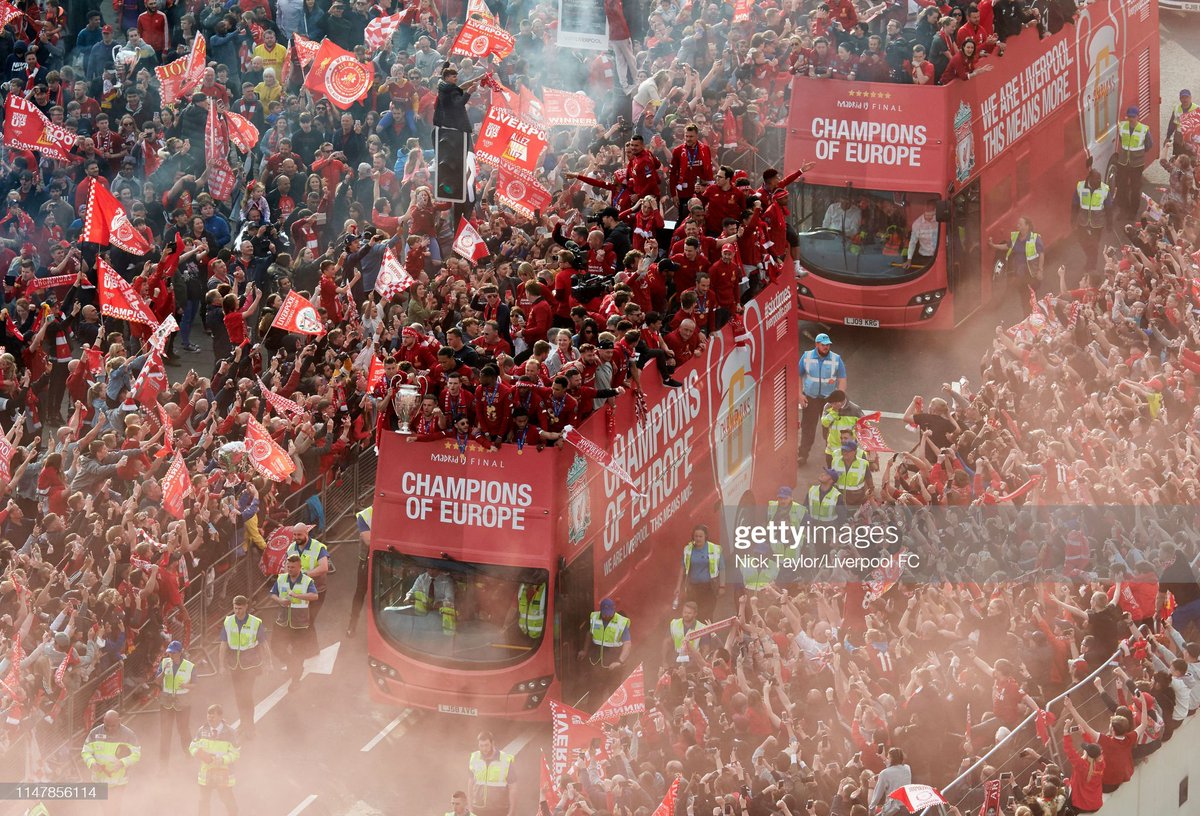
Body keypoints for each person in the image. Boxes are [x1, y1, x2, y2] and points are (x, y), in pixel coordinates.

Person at [270, 553, 320, 687]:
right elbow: (273, 594)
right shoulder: (281, 579)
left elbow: (314, 596)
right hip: (283, 622)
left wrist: (297, 595)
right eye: (288, 566)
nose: (290, 569)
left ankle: (295, 680)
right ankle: (292, 663)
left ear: (299, 567)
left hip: (300, 624)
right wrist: (280, 600)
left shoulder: (307, 581)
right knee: (275, 647)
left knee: (299, 652)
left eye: (292, 567)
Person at [220, 595, 265, 740]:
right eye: (235, 608)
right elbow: (223, 644)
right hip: (235, 665)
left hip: (249, 665)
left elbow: (263, 644)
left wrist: (268, 662)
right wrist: (221, 665)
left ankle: (250, 725)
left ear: (246, 606)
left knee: (246, 695)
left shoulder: (255, 622)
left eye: (240, 608)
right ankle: (243, 722)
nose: (237, 611)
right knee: (239, 695)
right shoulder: (228, 621)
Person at [798, 333, 846, 466]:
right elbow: (798, 375)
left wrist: (839, 399)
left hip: (829, 400)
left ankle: (832, 456)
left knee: (830, 429)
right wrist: (800, 395)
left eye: (828, 345)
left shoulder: (836, 359)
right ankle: (802, 455)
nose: (826, 347)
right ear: (817, 344)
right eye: (823, 345)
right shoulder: (806, 357)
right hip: (811, 398)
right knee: (807, 428)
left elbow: (842, 379)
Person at [82, 710, 141, 814]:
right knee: (106, 809)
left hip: (119, 781)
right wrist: (92, 763)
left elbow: (137, 754)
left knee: (114, 808)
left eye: (113, 725)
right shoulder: (94, 733)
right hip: (99, 781)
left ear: (119, 721)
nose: (109, 728)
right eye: (107, 725)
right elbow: (85, 752)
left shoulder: (128, 735)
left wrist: (122, 763)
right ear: (103, 720)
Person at [189, 703, 240, 816]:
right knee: (203, 803)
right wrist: (198, 753)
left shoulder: (231, 733)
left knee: (229, 803)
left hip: (223, 775)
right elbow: (192, 746)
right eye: (208, 717)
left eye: (213, 717)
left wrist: (222, 760)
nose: (210, 720)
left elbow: (236, 754)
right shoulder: (202, 730)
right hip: (206, 775)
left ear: (221, 716)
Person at [989, 216, 1044, 315]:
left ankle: (1032, 317)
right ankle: (1028, 317)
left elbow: (1041, 253)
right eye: (1018, 224)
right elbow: (1007, 246)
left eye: (1020, 224)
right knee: (1024, 298)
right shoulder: (1015, 237)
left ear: (1027, 226)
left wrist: (1040, 270)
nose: (1017, 226)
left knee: (1030, 297)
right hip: (1019, 274)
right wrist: (994, 245)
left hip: (1031, 274)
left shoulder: (1034, 238)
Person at [673, 525, 724, 622]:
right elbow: (682, 568)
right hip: (693, 589)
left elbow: (722, 568)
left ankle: (707, 635)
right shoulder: (688, 549)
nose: (698, 538)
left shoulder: (715, 549)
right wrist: (678, 587)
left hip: (709, 588)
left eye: (700, 536)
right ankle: (694, 636)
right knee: (692, 614)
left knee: (707, 615)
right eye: (696, 536)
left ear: (706, 536)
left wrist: (722, 586)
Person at [285, 522, 330, 625]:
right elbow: (285, 569)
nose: (296, 537)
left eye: (299, 534)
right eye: (295, 534)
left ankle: (307, 641)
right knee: (301, 622)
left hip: (316, 590)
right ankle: (303, 641)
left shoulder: (318, 547)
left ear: (306, 533)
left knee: (308, 621)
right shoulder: (291, 548)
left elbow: (324, 567)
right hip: (298, 592)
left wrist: (304, 575)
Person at [158, 639, 194, 763]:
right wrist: (163, 672)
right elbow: (156, 682)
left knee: (183, 730)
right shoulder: (164, 663)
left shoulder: (189, 666)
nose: (171, 655)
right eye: (169, 653)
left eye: (173, 653)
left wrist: (186, 686)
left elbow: (196, 684)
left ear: (180, 653)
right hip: (167, 702)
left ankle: (189, 755)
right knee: (165, 734)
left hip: (183, 703)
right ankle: (163, 765)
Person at [1113, 106, 1153, 218]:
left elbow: (1149, 144)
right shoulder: (1122, 126)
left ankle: (1132, 211)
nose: (1131, 119)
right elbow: (1121, 140)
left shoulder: (1144, 129)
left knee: (1135, 189)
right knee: (1122, 187)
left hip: (1137, 164)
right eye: (1129, 116)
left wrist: (1139, 153)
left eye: (1133, 117)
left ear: (1137, 117)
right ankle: (1123, 210)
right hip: (1123, 162)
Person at [1073, 168, 1112, 277]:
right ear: (1090, 179)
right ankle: (1090, 258)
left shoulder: (1104, 189)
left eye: (1099, 180)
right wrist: (1073, 220)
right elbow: (1075, 205)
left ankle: (1092, 266)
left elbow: (1109, 208)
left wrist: (1110, 223)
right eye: (1096, 180)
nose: (1099, 182)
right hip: (1083, 221)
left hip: (1097, 223)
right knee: (1082, 241)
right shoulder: (1081, 187)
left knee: (1094, 245)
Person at [1061, 720, 1106, 813]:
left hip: (1081, 806)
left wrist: (1066, 731)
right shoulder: (1101, 763)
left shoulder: (1081, 765)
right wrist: (1083, 733)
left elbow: (1069, 751)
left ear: (1087, 754)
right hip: (1096, 804)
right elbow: (1093, 750)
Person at [468, 731, 517, 816]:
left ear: (492, 743)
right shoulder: (474, 758)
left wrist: (511, 812)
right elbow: (470, 783)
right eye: (481, 745)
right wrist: (470, 806)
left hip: (499, 810)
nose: (484, 748)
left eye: (486, 745)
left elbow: (513, 788)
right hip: (478, 809)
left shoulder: (505, 760)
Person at [579, 597, 631, 671]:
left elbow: (627, 644)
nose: (607, 616)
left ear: (614, 610)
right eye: (605, 614)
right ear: (600, 611)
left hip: (614, 665)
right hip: (596, 663)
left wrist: (620, 661)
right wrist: (585, 651)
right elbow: (589, 634)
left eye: (609, 613)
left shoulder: (621, 622)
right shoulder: (594, 618)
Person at [347, 504, 372, 637]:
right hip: (366, 561)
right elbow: (368, 540)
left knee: (384, 593)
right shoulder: (365, 515)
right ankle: (353, 624)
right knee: (360, 592)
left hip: (386, 560)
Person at [434, 65, 481, 133]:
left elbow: (463, 86)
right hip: (453, 127)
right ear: (447, 77)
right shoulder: (448, 89)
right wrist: (469, 92)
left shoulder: (443, 85)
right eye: (454, 76)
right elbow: (460, 103)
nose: (456, 78)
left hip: (443, 124)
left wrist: (480, 77)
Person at [904, 199, 940, 269]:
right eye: (927, 215)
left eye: (932, 215)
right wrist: (909, 260)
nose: (930, 218)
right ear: (924, 210)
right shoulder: (917, 224)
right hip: (924, 257)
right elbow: (912, 243)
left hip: (939, 256)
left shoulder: (939, 221)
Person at [1165, 89, 1198, 158]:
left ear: (1190, 98)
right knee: (1178, 159)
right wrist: (1168, 137)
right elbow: (1172, 124)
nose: (1185, 100)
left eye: (1187, 97)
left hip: (1191, 138)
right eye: (1183, 97)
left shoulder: (1197, 109)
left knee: (1191, 159)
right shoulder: (1176, 109)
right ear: (1180, 99)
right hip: (1178, 138)